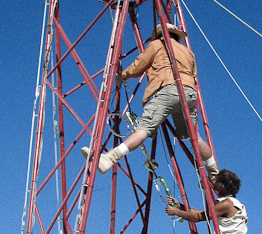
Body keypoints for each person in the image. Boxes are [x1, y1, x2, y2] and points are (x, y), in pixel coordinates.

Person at [82, 23, 218, 180]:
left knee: (143, 130)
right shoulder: (188, 52)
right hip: (189, 92)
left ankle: (109, 158)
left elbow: (138, 66)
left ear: (160, 35)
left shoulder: (157, 44)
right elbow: (194, 75)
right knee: (194, 135)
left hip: (167, 88)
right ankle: (214, 172)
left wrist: (122, 76)